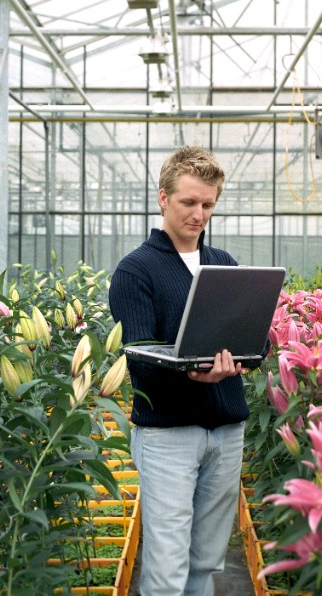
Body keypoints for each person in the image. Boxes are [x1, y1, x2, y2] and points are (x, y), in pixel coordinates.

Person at [109, 146, 251, 596]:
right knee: (168, 569)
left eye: (208, 204)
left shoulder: (224, 264)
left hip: (226, 430)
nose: (199, 213)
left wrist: (239, 357)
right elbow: (138, 355)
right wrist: (191, 374)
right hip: (168, 434)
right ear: (163, 198)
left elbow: (255, 338)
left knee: (206, 562)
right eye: (189, 202)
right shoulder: (137, 270)